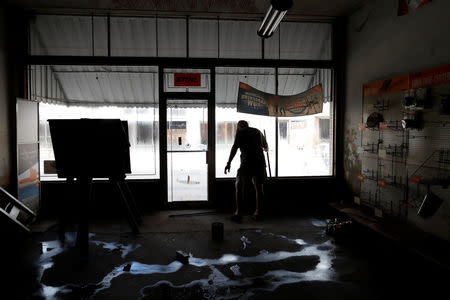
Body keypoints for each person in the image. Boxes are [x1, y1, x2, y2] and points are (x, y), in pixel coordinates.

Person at [224, 120, 268, 221]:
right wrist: (263, 147)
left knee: (239, 185)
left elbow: (235, 148)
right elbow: (265, 147)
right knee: (258, 187)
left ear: (239, 127)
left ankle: (239, 212)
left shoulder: (240, 132)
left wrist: (228, 163)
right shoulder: (257, 132)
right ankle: (258, 212)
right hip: (260, 162)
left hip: (247, 162)